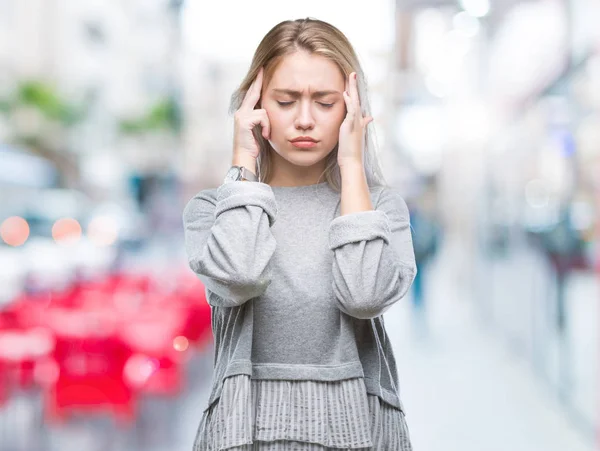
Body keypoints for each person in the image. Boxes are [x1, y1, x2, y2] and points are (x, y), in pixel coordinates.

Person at [182, 18, 417, 451]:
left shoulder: (379, 210)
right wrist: (243, 160)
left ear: (352, 109)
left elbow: (364, 297)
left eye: (325, 103)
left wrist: (351, 169)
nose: (305, 120)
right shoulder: (216, 210)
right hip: (244, 430)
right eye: (286, 100)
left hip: (359, 430)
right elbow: (240, 275)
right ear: (255, 103)